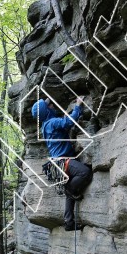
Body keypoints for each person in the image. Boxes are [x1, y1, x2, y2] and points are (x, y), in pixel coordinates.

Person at [31, 97, 92, 231]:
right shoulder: (52, 122)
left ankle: (69, 222)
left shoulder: (45, 126)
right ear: (46, 111)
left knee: (70, 190)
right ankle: (70, 190)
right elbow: (68, 123)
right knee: (84, 173)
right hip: (62, 162)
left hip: (56, 165)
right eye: (49, 106)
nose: (52, 105)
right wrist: (78, 106)